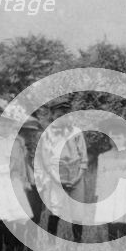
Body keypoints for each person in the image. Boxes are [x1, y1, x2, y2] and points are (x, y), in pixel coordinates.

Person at [0, 106, 33, 251]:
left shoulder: (17, 141)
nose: (5, 127)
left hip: (14, 183)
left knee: (17, 221)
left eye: (8, 124)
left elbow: (21, 164)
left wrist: (24, 181)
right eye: (1, 124)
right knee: (0, 224)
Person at [36, 98, 88, 242]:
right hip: (57, 176)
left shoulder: (76, 132)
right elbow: (46, 161)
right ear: (52, 115)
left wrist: (77, 178)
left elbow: (84, 158)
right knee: (56, 211)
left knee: (77, 212)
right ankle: (51, 246)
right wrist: (59, 181)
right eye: (59, 115)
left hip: (76, 175)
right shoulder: (47, 134)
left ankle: (78, 245)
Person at [94, 124, 126, 240]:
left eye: (119, 138)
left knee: (124, 219)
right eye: (113, 137)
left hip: (124, 190)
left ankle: (124, 243)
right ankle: (113, 242)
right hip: (108, 190)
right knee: (112, 219)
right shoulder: (103, 156)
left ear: (125, 139)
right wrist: (98, 193)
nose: (115, 141)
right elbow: (100, 176)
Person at [19, 116, 44, 226]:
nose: (30, 138)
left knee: (36, 215)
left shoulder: (38, 149)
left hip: (36, 186)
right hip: (21, 187)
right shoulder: (16, 149)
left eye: (33, 135)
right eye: (26, 134)